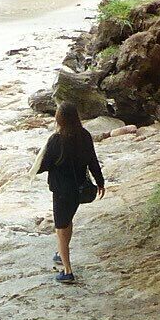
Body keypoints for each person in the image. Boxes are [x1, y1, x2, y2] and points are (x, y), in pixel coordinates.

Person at [37, 100, 106, 283]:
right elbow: (93, 160)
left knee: (60, 228)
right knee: (67, 221)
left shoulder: (56, 140)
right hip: (79, 188)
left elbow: (43, 166)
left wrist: (35, 164)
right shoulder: (84, 135)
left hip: (61, 190)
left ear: (59, 119)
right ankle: (62, 253)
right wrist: (100, 182)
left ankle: (67, 271)